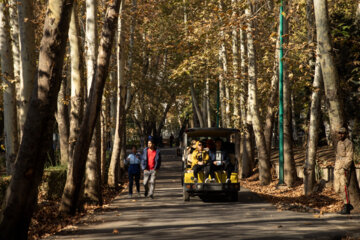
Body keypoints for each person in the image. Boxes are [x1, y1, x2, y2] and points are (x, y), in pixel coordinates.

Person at [334, 127, 354, 214]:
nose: (340, 135)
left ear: (345, 134)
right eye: (339, 133)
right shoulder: (339, 142)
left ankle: (346, 206)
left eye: (342, 133)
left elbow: (350, 157)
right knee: (336, 188)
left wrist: (345, 167)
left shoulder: (348, 143)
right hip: (337, 167)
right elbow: (338, 155)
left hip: (344, 167)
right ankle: (347, 205)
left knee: (343, 187)